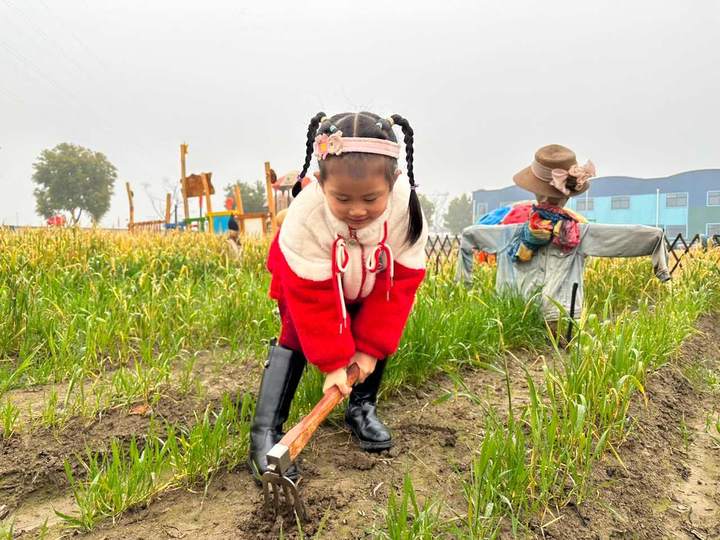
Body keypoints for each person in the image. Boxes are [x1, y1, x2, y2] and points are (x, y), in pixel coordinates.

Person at [249, 112, 428, 481]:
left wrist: (367, 350)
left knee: (371, 333)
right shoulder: (306, 217)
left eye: (371, 198)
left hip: (372, 275)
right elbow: (313, 300)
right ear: (320, 182)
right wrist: (333, 362)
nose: (358, 209)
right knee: (296, 336)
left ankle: (361, 408)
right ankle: (266, 431)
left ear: (393, 182)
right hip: (307, 280)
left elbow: (398, 286)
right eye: (342, 198)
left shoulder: (405, 211)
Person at [457, 144, 671, 327]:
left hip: (513, 318)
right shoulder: (579, 232)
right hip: (562, 318)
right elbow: (638, 236)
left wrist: (464, 285)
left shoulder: (508, 234)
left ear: (534, 190)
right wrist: (660, 262)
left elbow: (468, 236)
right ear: (569, 195)